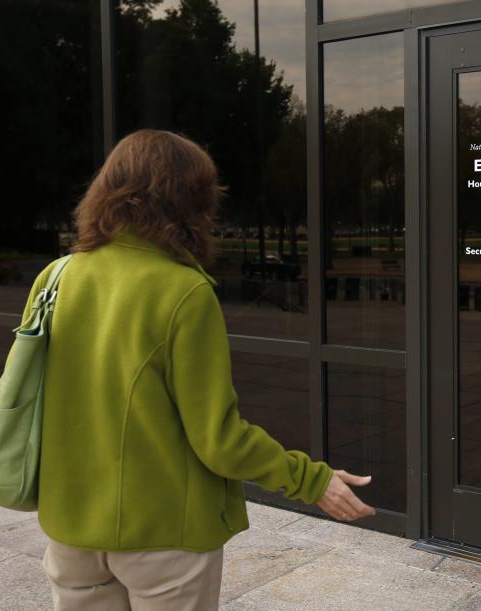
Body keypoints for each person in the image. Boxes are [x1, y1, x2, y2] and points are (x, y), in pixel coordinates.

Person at [31, 129, 376, 610]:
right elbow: (218, 439)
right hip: (162, 533)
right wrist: (309, 479)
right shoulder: (183, 291)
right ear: (188, 201)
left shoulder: (56, 276)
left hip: (69, 527)